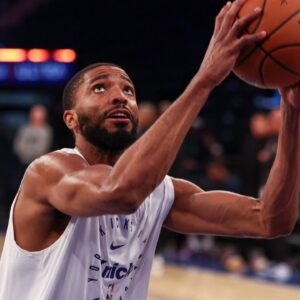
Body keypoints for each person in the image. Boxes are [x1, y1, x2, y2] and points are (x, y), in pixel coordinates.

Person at [0, 1, 299, 299]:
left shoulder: (160, 193)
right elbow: (120, 192)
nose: (119, 96)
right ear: (71, 119)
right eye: (100, 88)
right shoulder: (48, 172)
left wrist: (291, 106)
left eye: (128, 90)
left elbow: (271, 219)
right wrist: (204, 80)